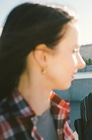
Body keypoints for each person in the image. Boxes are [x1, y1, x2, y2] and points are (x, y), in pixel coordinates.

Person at [0, 2, 85, 140]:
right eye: (74, 50)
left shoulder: (59, 113)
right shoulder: (4, 128)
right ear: (43, 56)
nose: (82, 63)